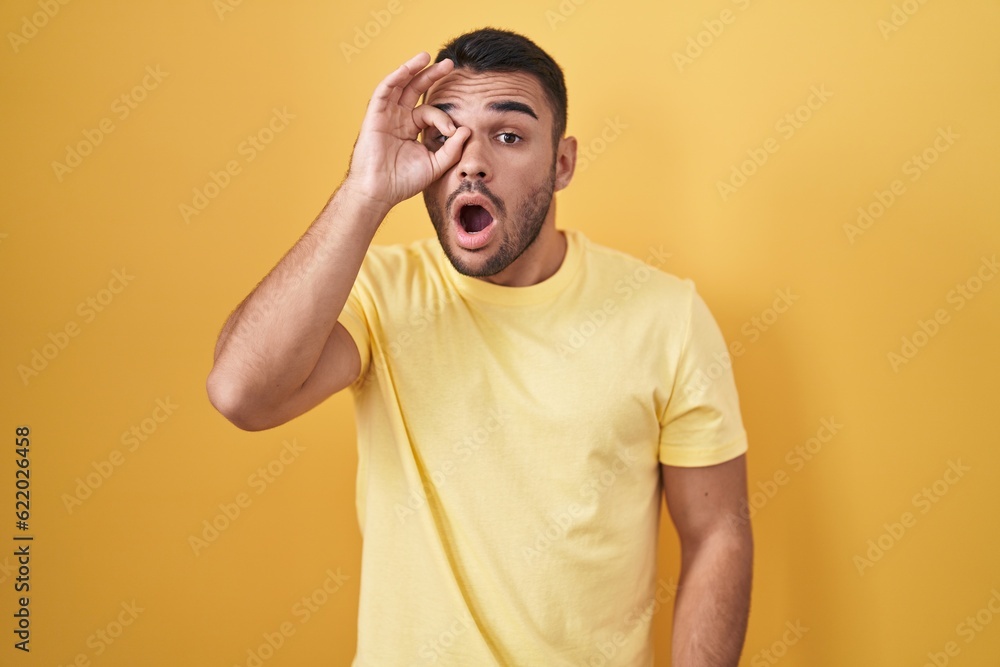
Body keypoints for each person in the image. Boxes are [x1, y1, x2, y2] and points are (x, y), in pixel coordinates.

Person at [207, 27, 752, 667]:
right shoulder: (379, 293)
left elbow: (716, 532)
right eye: (445, 136)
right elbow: (240, 394)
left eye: (509, 135)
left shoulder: (667, 314)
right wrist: (362, 192)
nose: (470, 162)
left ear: (563, 162)